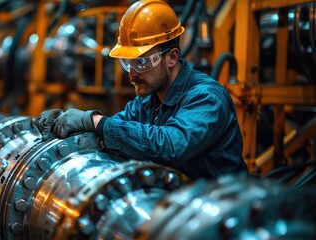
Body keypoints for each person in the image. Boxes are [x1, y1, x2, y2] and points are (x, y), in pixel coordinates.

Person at [36, 0, 248, 179]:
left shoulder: (206, 98)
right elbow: (116, 131)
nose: (132, 74)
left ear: (172, 57)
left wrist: (93, 120)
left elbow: (169, 145)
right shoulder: (148, 101)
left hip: (222, 212)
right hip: (180, 204)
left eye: (142, 62)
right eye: (127, 63)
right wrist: (69, 124)